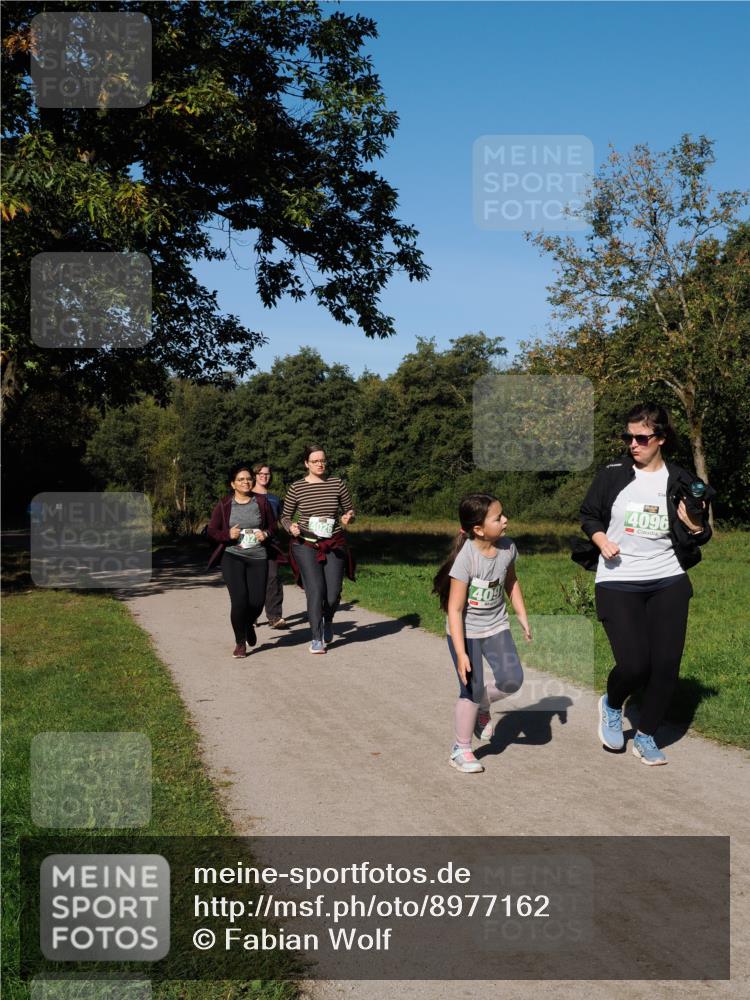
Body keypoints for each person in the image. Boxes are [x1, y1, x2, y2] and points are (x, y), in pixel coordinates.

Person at [575, 403, 714, 765]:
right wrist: (601, 539)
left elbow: (701, 532)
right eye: (628, 437)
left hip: (668, 578)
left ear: (661, 438)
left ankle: (646, 735)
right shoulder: (613, 475)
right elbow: (588, 515)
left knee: (666, 665)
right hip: (618, 579)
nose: (632, 444)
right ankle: (611, 704)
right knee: (635, 665)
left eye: (641, 438)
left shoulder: (681, 479)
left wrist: (696, 527)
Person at [433, 494, 531, 774]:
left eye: (503, 515)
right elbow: (455, 610)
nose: (505, 520)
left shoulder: (507, 547)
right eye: (498, 518)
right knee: (471, 689)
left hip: (496, 625)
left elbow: (511, 581)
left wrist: (522, 615)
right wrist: (461, 653)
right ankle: (460, 749)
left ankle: (483, 704)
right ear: (478, 529)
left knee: (512, 679)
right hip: (466, 632)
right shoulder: (466, 559)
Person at [281, 445, 355, 654]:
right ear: (307, 463)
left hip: (334, 543)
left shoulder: (337, 484)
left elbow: (350, 510)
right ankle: (316, 638)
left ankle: (328, 619)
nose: (320, 464)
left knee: (332, 594)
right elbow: (285, 517)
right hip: (306, 544)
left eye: (322, 460)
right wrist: (291, 527)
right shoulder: (297, 487)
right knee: (315, 590)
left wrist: (348, 517)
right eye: (315, 461)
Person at [207, 464, 277, 658]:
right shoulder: (224, 505)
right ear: (233, 484)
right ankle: (240, 642)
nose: (246, 482)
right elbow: (211, 531)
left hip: (258, 557)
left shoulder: (261, 502)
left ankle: (248, 623)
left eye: (248, 479)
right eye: (241, 479)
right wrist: (227, 534)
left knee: (257, 602)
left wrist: (265, 533)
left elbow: (273, 527)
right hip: (233, 556)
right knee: (239, 601)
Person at [252, 462, 288, 629]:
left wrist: (293, 528)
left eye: (267, 474)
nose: (264, 476)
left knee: (273, 578)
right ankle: (251, 615)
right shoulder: (247, 495)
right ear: (255, 476)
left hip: (272, 544)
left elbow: (283, 519)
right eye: (261, 474)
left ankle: (274, 617)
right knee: (252, 580)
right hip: (251, 545)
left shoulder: (274, 499)